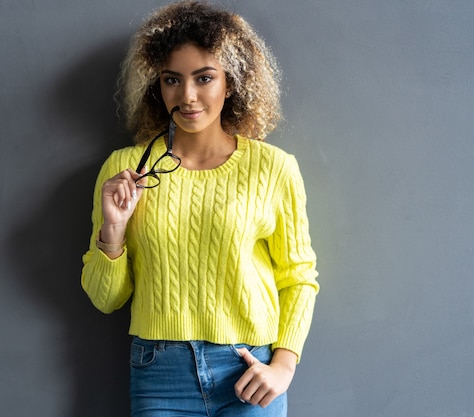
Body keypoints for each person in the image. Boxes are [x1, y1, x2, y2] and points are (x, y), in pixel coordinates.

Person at [81, 1, 319, 416]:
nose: (187, 96)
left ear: (231, 83)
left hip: (249, 371)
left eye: (204, 78)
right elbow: (106, 300)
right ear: (158, 85)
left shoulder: (273, 168)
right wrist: (113, 232)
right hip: (159, 374)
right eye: (172, 79)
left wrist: (283, 367)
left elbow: (298, 277)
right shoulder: (126, 169)